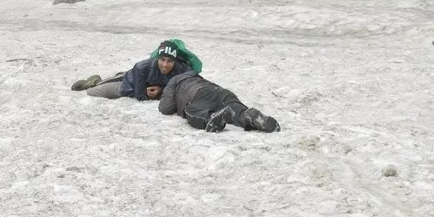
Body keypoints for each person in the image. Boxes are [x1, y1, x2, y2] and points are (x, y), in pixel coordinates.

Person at [71, 40, 200, 101]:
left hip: (139, 80)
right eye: (162, 60)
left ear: (175, 61)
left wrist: (160, 90)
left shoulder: (182, 70)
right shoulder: (142, 66)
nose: (165, 65)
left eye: (170, 61)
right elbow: (140, 96)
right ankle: (94, 82)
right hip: (129, 84)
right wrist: (146, 92)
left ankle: (114, 77)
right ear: (157, 58)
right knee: (92, 92)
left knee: (120, 77)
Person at [159, 72, 280, 133]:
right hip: (220, 91)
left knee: (191, 111)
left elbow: (165, 108)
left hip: (198, 96)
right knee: (237, 110)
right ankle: (250, 116)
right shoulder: (196, 75)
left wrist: (163, 93)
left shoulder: (174, 80)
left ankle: (211, 117)